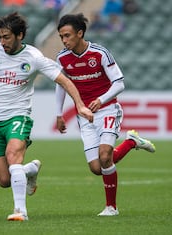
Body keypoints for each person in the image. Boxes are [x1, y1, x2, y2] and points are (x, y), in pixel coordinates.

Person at [0, 12, 93, 221]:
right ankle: (30, 170)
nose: (2, 42)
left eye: (7, 37)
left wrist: (80, 105)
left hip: (18, 117)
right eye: (0, 37)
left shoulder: (34, 57)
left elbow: (64, 80)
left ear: (19, 35)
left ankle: (20, 211)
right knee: (4, 179)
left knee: (13, 155)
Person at [55, 13, 156, 216]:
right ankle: (131, 142)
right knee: (96, 167)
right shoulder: (62, 58)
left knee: (104, 156)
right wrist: (59, 114)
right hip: (85, 115)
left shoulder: (100, 53)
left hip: (108, 109)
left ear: (80, 33)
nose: (64, 40)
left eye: (67, 35)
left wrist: (101, 99)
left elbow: (119, 83)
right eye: (61, 37)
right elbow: (61, 86)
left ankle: (112, 207)